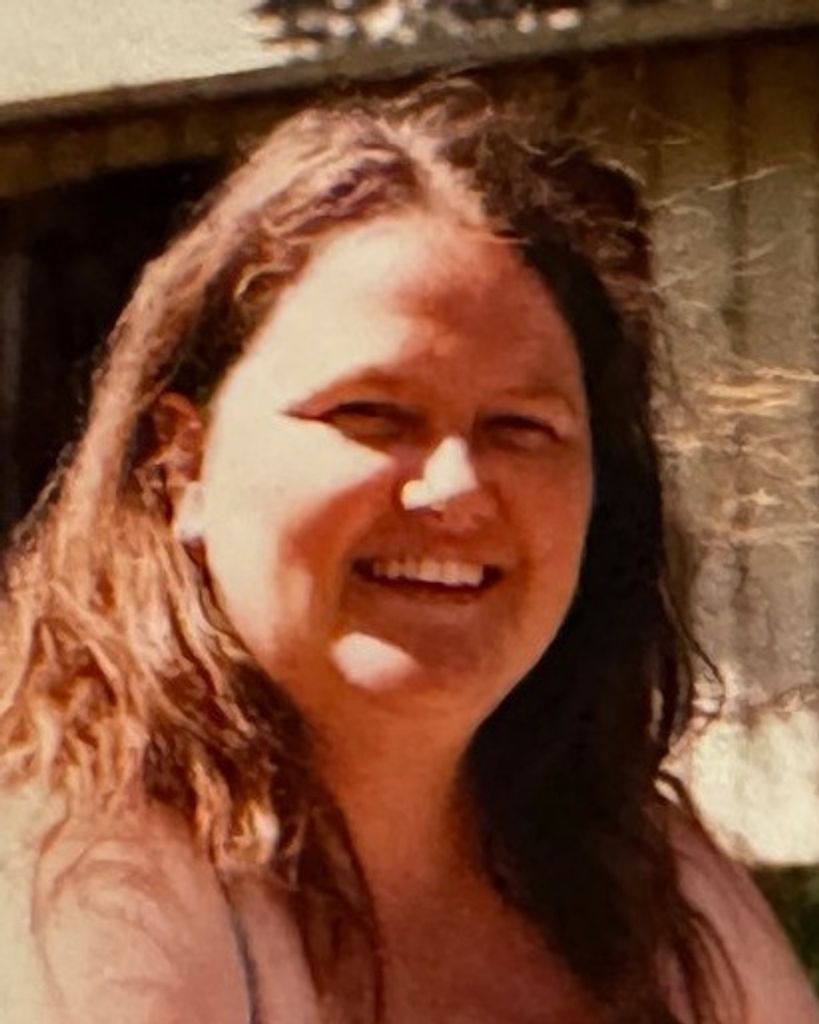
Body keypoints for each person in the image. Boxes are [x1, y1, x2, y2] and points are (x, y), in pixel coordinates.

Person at [0, 79, 815, 1024]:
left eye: (520, 426)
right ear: (181, 467)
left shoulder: (650, 882)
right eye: (371, 414)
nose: (455, 487)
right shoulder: (81, 879)